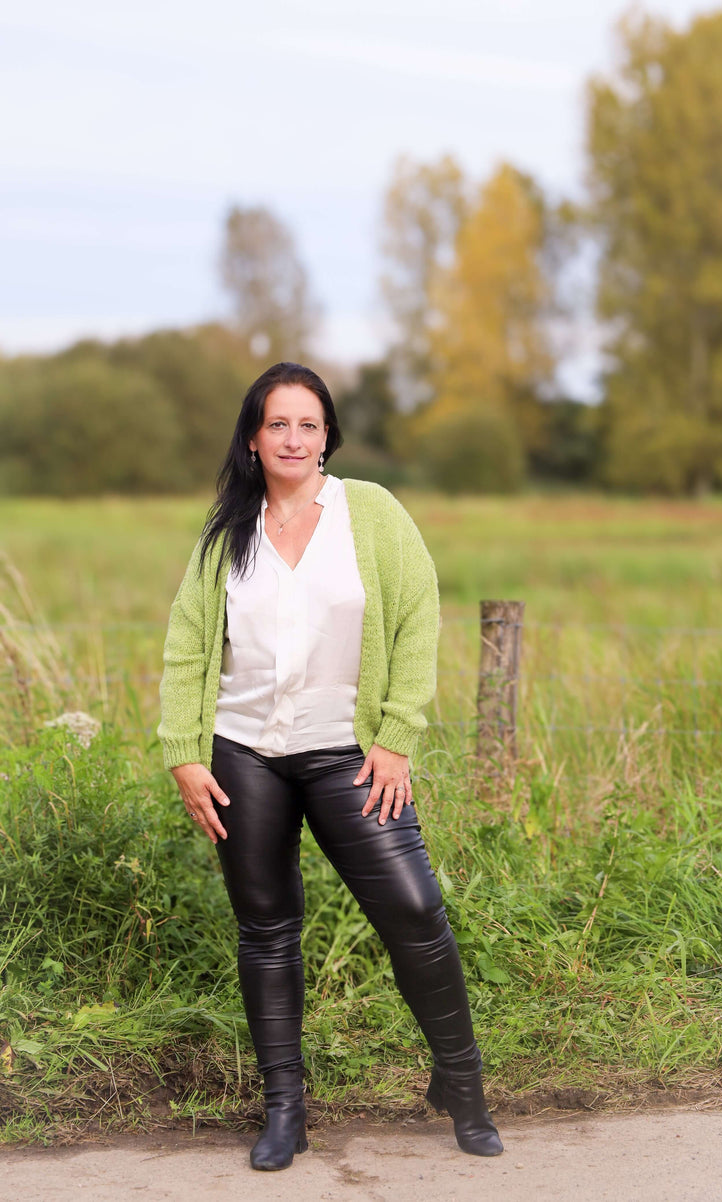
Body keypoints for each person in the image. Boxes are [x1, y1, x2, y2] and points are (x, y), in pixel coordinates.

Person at [158, 361, 503, 1172]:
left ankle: (462, 1082)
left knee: (416, 910)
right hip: (243, 754)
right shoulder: (225, 535)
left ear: (326, 436)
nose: (293, 438)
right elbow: (187, 648)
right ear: (253, 438)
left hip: (349, 753)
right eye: (277, 424)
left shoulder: (371, 514)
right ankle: (285, 1110)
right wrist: (183, 752)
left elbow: (419, 615)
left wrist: (397, 734)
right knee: (268, 931)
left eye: (307, 424)